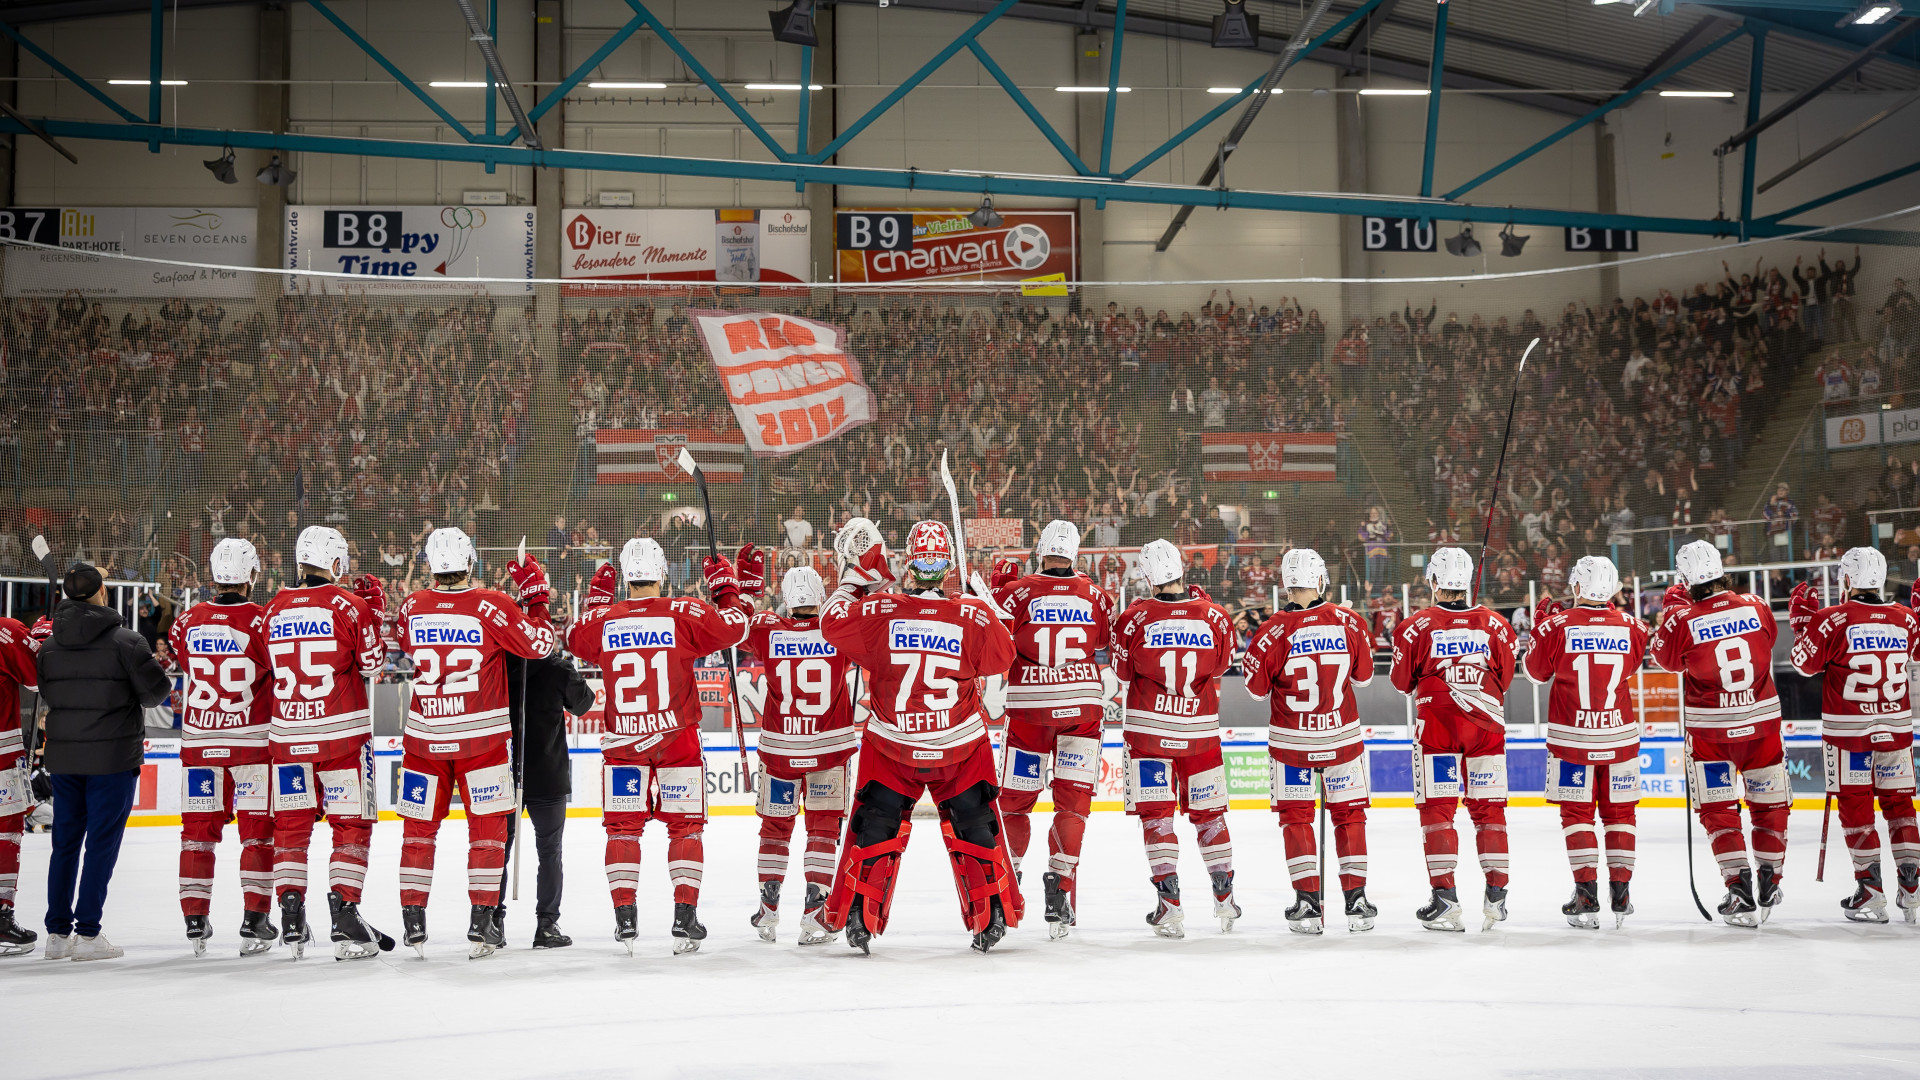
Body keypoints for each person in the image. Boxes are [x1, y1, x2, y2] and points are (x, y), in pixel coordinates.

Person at [818, 518, 1020, 954]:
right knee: (975, 828)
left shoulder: (882, 609)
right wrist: (988, 608)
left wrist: (854, 577)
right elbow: (1003, 656)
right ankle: (991, 915)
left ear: (910, 562)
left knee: (875, 827)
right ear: (947, 564)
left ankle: (859, 914)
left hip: (894, 744)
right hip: (959, 744)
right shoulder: (971, 613)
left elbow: (831, 623)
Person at [566, 537, 749, 955]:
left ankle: (625, 917)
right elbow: (736, 627)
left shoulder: (604, 619)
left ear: (625, 578)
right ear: (662, 573)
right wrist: (725, 588)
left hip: (624, 741)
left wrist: (595, 603)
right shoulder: (684, 610)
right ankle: (684, 917)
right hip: (675, 737)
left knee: (623, 829)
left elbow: (573, 639)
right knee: (685, 827)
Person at [392, 528, 555, 959]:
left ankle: (413, 919)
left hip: (425, 741)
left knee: (417, 833)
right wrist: (535, 599)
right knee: (487, 834)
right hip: (480, 740)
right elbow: (539, 646)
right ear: (469, 561)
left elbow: (406, 642)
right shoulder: (491, 604)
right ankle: (483, 923)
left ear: (430, 564)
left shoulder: (412, 605)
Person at [34, 560, 171, 960]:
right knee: (101, 845)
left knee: (64, 844)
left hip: (64, 757)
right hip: (112, 758)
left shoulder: (49, 647)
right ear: (102, 594)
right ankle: (89, 935)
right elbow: (157, 693)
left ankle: (57, 936)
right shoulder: (127, 642)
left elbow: (48, 692)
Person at [261, 526, 386, 960]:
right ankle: (345, 911)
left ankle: (291, 912)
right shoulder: (349, 605)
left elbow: (266, 665)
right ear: (335, 562)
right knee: (351, 826)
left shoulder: (272, 608)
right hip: (341, 740)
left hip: (287, 739)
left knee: (291, 829)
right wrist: (372, 609)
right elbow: (372, 665)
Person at [986, 520, 1115, 939]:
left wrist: (992, 596)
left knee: (1015, 805)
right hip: (1081, 707)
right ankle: (1060, 890)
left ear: (1040, 549)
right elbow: (1103, 655)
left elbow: (996, 650)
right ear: (1076, 553)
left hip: (1030, 712)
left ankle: (1010, 884)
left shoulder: (1015, 593)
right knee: (1073, 805)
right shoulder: (1097, 596)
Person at [1240, 547, 1378, 935]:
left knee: (1296, 818)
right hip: (1342, 740)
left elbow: (1254, 690)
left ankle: (1307, 903)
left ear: (1285, 584)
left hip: (1293, 743)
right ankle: (1357, 902)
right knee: (1350, 815)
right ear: (1320, 580)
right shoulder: (1348, 621)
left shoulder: (1272, 630)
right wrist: (1345, 626)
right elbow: (1365, 678)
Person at [1650, 540, 1786, 927]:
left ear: (1687, 579)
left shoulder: (1684, 617)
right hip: (1762, 726)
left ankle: (1739, 887)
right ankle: (1770, 879)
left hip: (1712, 731)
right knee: (1770, 805)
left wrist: (1674, 609)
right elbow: (1769, 639)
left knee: (1719, 808)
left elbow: (1665, 659)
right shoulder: (1757, 604)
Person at [1112, 539, 1239, 938]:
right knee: (1210, 815)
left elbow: (1122, 672)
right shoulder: (1215, 615)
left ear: (1148, 577)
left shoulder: (1135, 619)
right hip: (1199, 732)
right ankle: (1225, 898)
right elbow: (1221, 664)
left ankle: (1170, 906)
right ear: (1183, 571)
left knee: (1157, 816)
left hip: (1150, 732)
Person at [1389, 546, 1518, 933]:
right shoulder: (1497, 624)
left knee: (1438, 810)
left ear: (1432, 581)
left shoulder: (1415, 626)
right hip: (1486, 727)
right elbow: (1506, 678)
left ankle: (1445, 901)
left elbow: (1399, 682)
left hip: (1439, 726)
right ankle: (1497, 896)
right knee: (1490, 809)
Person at [1787, 548, 1920, 923]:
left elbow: (1803, 664)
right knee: (1900, 807)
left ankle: (1870, 889)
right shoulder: (1905, 618)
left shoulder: (1833, 619)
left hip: (1850, 737)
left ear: (1846, 580)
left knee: (1857, 810)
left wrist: (1802, 625)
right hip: (1895, 734)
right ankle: (1912, 887)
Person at [1522, 555, 1649, 929]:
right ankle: (1622, 893)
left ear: (1577, 587)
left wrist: (1540, 628)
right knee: (1621, 815)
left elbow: (1533, 673)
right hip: (1620, 737)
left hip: (1572, 739)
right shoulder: (1635, 626)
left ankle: (1586, 894)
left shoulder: (1556, 626)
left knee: (1577, 816)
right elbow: (1630, 666)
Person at [166, 538, 278, 956]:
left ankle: (195, 918)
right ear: (252, 575)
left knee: (197, 835)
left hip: (200, 743)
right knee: (257, 836)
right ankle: (255, 919)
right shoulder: (263, 620)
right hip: (251, 745)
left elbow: (184, 659)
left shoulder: (187, 620)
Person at [738, 559, 857, 946]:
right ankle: (814, 911)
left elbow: (737, 624)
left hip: (780, 751)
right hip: (828, 752)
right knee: (822, 830)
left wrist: (744, 587)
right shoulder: (836, 629)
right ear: (820, 597)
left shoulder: (768, 628)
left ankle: (768, 909)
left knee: (774, 830)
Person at [503, 617, 597, 949]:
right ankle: (546, 925)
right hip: (548, 774)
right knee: (550, 852)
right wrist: (569, 667)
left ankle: (490, 922)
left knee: (497, 850)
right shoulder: (556, 667)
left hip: (504, 772)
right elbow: (584, 704)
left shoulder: (498, 663)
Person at [0, 607, 41, 955]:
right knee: (5, 832)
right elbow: (37, 676)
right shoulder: (7, 631)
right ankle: (0, 915)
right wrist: (41, 639)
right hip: (1, 755)